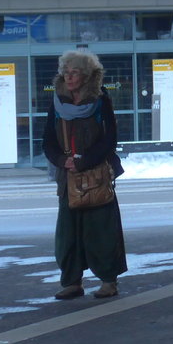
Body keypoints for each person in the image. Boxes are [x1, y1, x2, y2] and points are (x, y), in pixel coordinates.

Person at [41, 50, 127, 300]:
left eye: (74, 72)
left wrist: (85, 161)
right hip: (67, 176)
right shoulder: (57, 102)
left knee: (101, 229)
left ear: (86, 75)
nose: (68, 77)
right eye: (65, 72)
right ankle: (72, 281)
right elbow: (47, 140)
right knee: (68, 232)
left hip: (96, 174)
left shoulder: (100, 101)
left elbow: (110, 139)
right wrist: (62, 160)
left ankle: (108, 281)